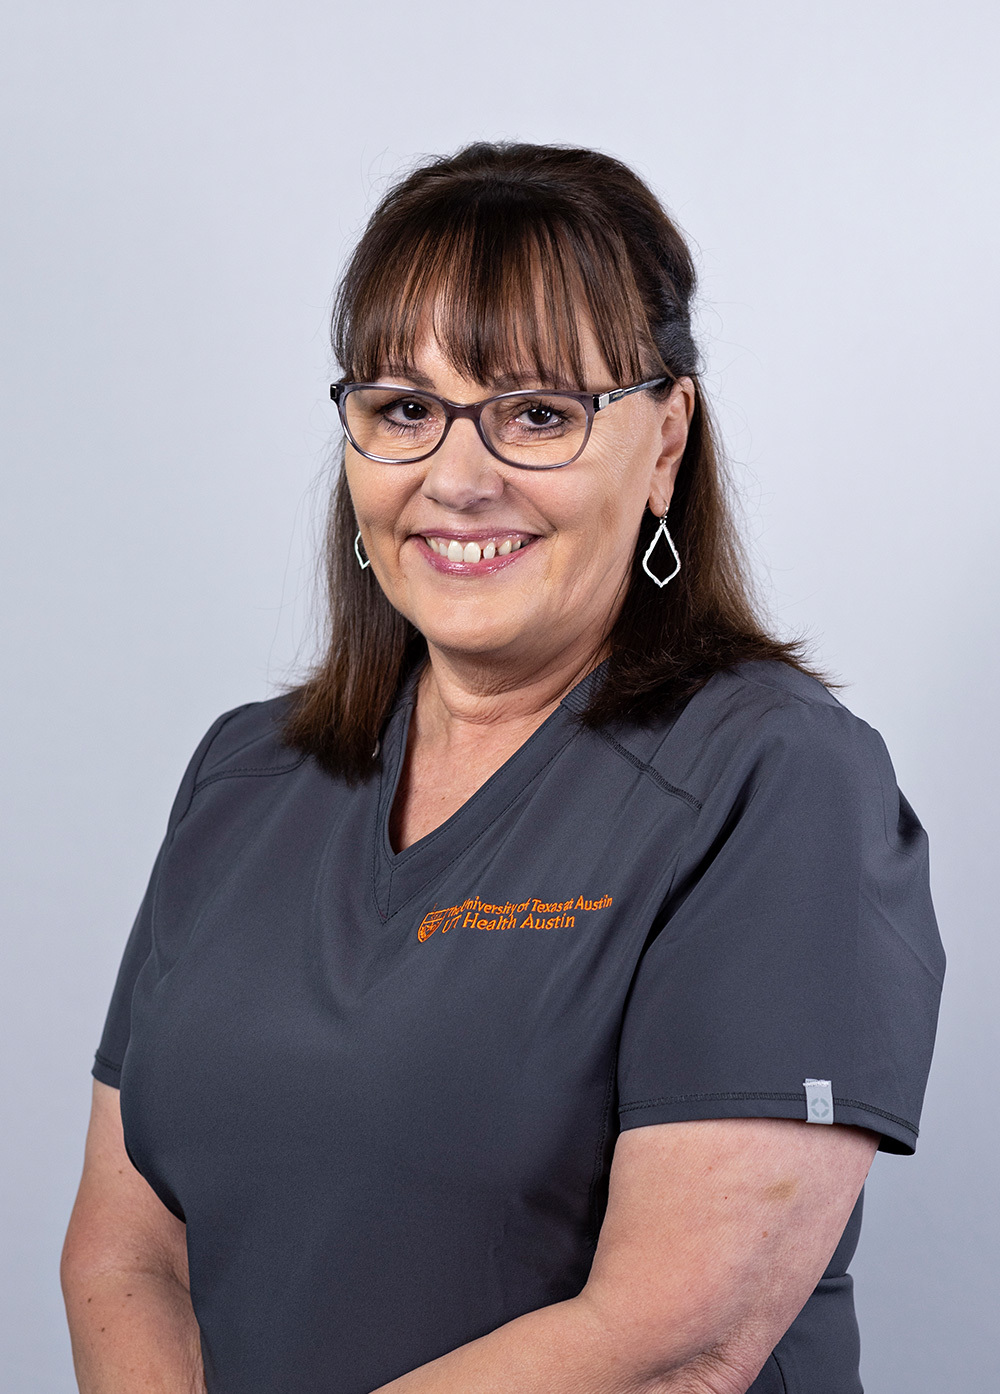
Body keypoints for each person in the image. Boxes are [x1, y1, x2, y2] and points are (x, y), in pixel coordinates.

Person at [61, 142, 944, 1394]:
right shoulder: (241, 776)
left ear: (663, 441)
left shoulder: (778, 780)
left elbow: (671, 1344)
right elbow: (127, 1247)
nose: (457, 477)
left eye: (538, 412)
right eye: (404, 408)